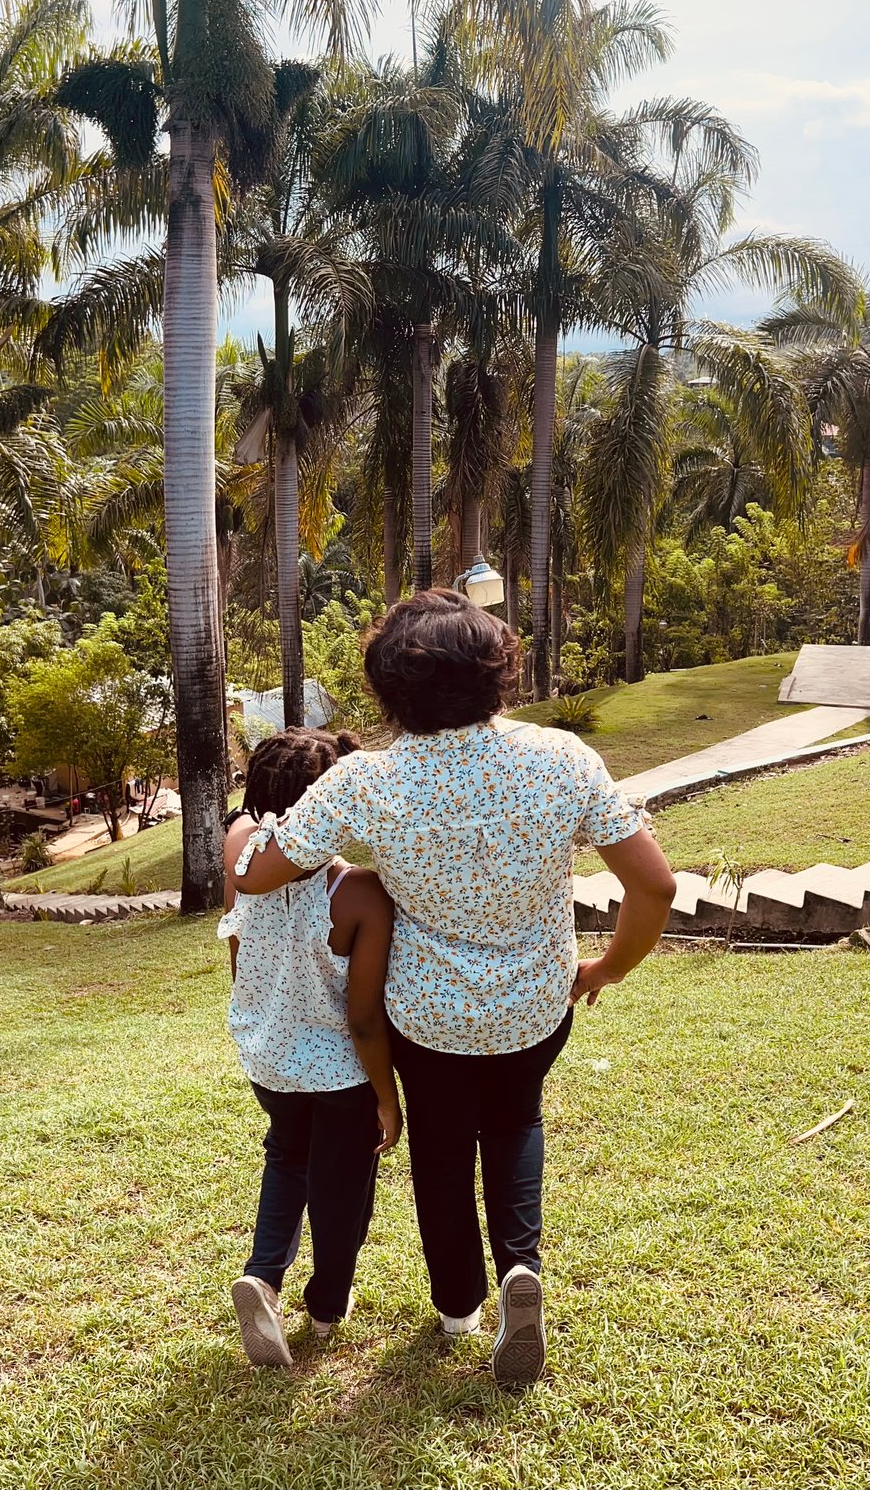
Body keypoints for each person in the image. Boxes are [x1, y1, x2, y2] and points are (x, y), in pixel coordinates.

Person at [234, 590, 677, 1389]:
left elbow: (264, 871)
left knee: (441, 1153)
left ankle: (458, 1307)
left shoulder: (366, 778)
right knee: (514, 1126)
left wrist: (244, 838)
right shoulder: (562, 758)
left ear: (388, 687)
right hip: (536, 1003)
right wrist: (607, 968)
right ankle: (520, 1269)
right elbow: (654, 886)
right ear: (499, 671)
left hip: (426, 1014)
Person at [220, 728, 400, 1372]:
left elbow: (238, 951)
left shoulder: (240, 859)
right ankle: (325, 1306)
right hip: (342, 1072)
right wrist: (387, 1097)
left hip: (267, 1054)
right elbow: (365, 1018)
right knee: (343, 1183)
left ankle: (263, 1276)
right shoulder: (357, 892)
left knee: (287, 1161)